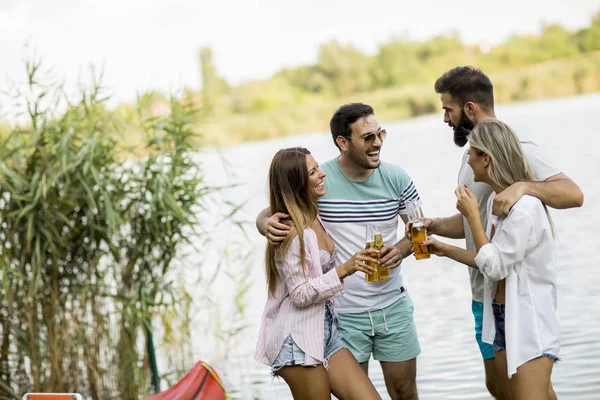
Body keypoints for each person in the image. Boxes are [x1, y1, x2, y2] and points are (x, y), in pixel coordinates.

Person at [417, 66, 583, 399]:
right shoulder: (471, 156)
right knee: (501, 385)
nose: (445, 118)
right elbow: (469, 221)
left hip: (515, 293)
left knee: (519, 387)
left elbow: (573, 194)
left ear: (469, 108)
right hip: (486, 287)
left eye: (447, 109)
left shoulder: (516, 147)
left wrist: (523, 186)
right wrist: (436, 226)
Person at [256, 104, 421, 400]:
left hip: (383, 307)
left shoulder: (395, 178)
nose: (378, 143)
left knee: (404, 393)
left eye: (380, 134)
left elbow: (417, 230)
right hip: (338, 319)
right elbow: (279, 209)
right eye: (367, 137)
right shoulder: (320, 186)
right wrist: (263, 222)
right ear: (343, 143)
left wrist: (399, 250)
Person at [423, 119, 561, 400]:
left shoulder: (525, 209)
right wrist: (441, 248)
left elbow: (495, 266)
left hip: (526, 322)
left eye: (472, 153)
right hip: (499, 315)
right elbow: (489, 259)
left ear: (486, 158)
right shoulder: (498, 203)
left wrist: (473, 216)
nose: (468, 160)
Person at [254, 147, 382, 400]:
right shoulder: (291, 233)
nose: (322, 174)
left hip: (327, 333)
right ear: (298, 183)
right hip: (298, 341)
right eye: (313, 172)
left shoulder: (314, 213)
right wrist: (345, 269)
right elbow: (300, 294)